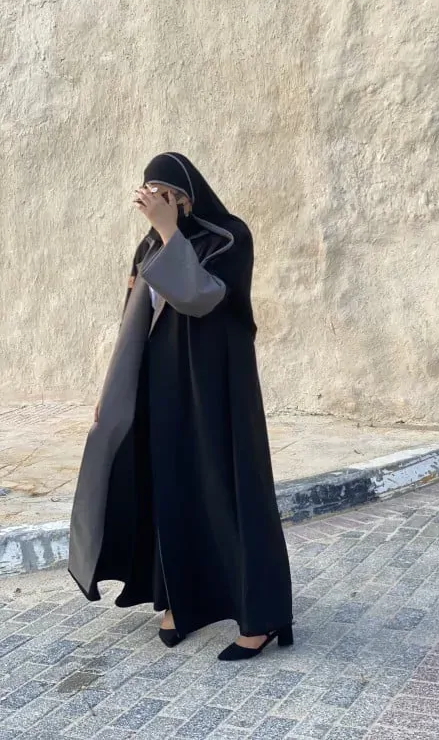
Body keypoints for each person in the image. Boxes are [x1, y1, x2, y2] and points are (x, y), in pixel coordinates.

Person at [68, 152, 293, 661]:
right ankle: (179, 601)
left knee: (229, 490)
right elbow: (132, 322)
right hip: (163, 385)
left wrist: (170, 231)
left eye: (164, 194)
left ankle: (261, 618)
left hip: (217, 388)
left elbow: (200, 296)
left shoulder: (230, 237)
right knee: (169, 490)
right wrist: (111, 393)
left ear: (186, 195)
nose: (156, 204)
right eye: (149, 194)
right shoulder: (149, 245)